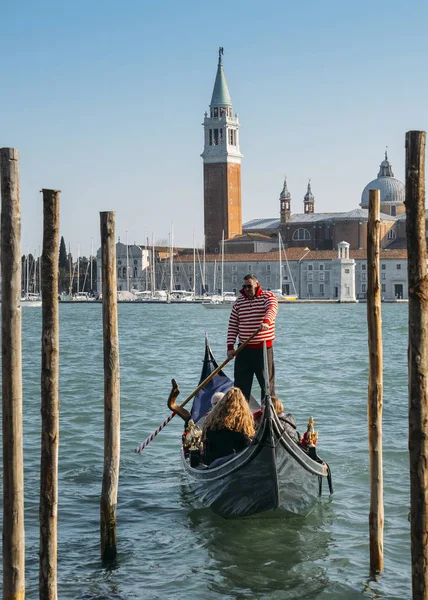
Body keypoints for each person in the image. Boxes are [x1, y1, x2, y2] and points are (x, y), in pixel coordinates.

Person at [227, 274, 278, 401]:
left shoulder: (267, 296)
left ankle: (267, 414)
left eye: (249, 286)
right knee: (240, 387)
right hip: (243, 349)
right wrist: (230, 347)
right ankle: (240, 415)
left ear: (256, 285)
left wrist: (266, 321)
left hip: (263, 349)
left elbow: (272, 308)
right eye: (244, 287)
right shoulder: (239, 302)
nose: (247, 289)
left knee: (267, 387)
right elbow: (233, 325)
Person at [202, 387, 254, 466]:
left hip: (213, 462)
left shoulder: (211, 420)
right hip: (226, 461)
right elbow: (244, 444)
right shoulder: (237, 425)